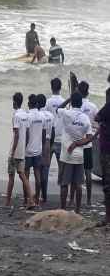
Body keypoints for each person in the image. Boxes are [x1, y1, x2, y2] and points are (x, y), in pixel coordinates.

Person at [56, 92, 92, 213]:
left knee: (64, 184)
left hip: (66, 155)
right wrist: (77, 143)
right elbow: (89, 138)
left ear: (72, 102)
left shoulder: (66, 113)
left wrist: (68, 99)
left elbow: (58, 108)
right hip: (79, 156)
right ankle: (77, 211)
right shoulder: (85, 118)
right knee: (78, 185)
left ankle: (63, 209)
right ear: (81, 103)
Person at [78, 81, 99, 207]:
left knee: (77, 174)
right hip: (88, 144)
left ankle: (75, 200)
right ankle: (89, 200)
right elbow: (97, 124)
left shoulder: (76, 106)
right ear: (88, 92)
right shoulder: (93, 107)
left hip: (78, 144)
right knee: (88, 173)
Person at [94, 87, 110, 226]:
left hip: (107, 150)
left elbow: (97, 117)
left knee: (107, 185)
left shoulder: (108, 107)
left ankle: (107, 218)